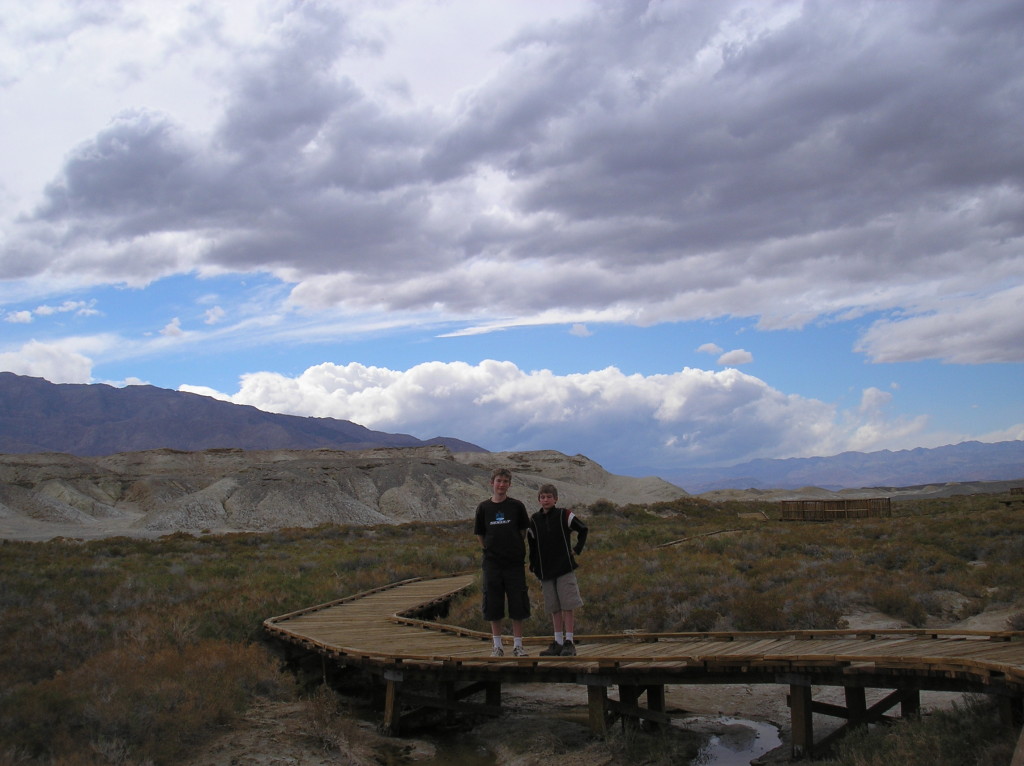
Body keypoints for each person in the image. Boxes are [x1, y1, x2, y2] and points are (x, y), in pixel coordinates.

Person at [474, 467, 531, 657]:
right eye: (499, 481)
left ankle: (518, 645)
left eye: (505, 482)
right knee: (492, 601)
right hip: (492, 563)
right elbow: (480, 534)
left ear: (509, 485)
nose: (502, 485)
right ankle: (497, 645)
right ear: (492, 483)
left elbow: (523, 532)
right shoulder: (483, 508)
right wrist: (490, 549)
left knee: (518, 601)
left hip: (514, 562)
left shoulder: (517, 506)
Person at [527, 483, 588, 657]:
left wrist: (576, 549)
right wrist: (533, 563)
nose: (545, 500)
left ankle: (569, 641)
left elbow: (583, 529)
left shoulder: (564, 515)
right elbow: (532, 544)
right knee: (554, 607)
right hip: (545, 570)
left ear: (555, 499)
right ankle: (558, 642)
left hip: (564, 567)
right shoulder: (534, 520)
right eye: (542, 497)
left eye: (548, 497)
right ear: (539, 499)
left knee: (568, 604)